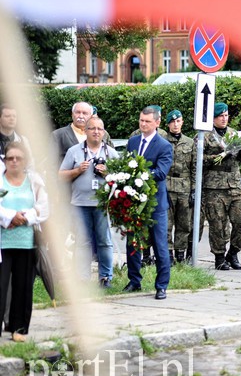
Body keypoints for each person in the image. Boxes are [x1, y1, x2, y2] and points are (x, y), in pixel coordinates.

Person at [58, 116, 119, 287]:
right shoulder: (74, 151)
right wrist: (77, 170)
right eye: (92, 128)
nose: (96, 132)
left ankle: (105, 277)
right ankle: (82, 278)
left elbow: (122, 179)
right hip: (79, 204)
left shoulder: (111, 153)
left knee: (104, 241)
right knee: (82, 241)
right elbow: (61, 175)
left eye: (99, 129)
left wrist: (107, 174)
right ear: (85, 131)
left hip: (103, 204)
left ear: (104, 132)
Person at [0, 142, 49, 342]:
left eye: (18, 158)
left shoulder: (34, 181)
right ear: (4, 160)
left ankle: (18, 328)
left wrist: (24, 218)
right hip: (3, 243)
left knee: (22, 287)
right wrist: (10, 216)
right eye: (10, 158)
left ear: (25, 161)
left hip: (26, 242)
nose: (14, 161)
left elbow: (43, 209)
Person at [123, 106, 173, 300]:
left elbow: (161, 173)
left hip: (155, 204)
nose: (143, 124)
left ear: (157, 123)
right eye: (141, 120)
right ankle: (134, 281)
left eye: (147, 121)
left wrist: (139, 175)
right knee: (133, 243)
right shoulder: (133, 141)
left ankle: (161, 286)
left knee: (160, 246)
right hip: (134, 202)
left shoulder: (164, 145)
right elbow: (126, 165)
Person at [201, 102, 241, 271]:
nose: (224, 119)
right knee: (218, 225)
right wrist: (218, 157)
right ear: (213, 118)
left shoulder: (234, 134)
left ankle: (233, 253)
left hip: (234, 184)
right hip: (214, 187)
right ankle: (219, 257)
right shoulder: (205, 136)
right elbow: (198, 159)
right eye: (220, 116)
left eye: (226, 115)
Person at [164, 110, 194, 265]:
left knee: (184, 223)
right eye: (172, 122)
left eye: (178, 121)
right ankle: (168, 254)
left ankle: (180, 254)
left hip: (184, 187)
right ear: (168, 124)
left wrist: (194, 189)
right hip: (167, 186)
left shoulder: (190, 142)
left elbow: (195, 167)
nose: (175, 124)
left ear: (182, 122)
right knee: (166, 223)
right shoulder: (162, 141)